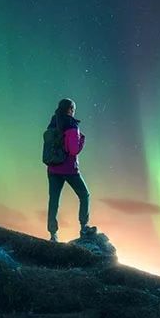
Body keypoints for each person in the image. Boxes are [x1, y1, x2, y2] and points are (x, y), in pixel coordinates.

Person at [46, 98, 96, 242]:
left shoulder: (52, 122)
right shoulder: (71, 124)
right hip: (69, 169)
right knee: (84, 195)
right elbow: (73, 150)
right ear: (70, 109)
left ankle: (53, 235)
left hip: (53, 168)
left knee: (54, 200)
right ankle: (84, 227)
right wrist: (82, 141)